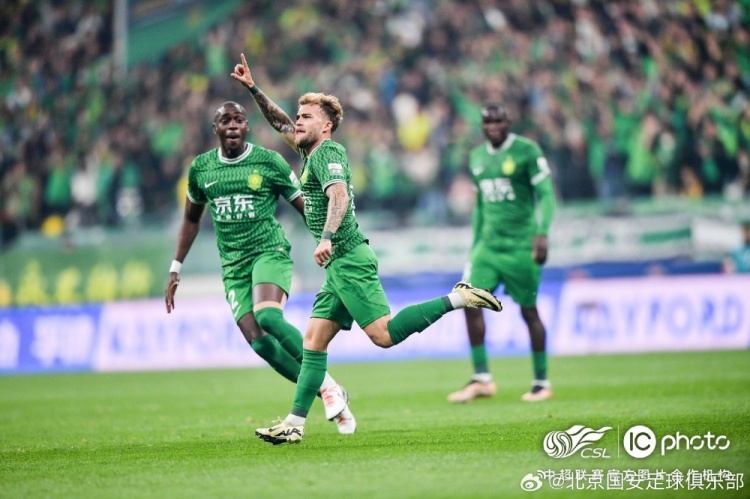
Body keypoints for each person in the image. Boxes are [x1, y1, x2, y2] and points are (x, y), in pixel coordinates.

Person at [230, 54, 503, 445]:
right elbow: (280, 124)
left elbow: (339, 196)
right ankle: (295, 423)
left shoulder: (328, 153)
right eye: (298, 115)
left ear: (326, 126)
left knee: (384, 334)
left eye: (306, 117)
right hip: (339, 264)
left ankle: (458, 298)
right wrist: (254, 89)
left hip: (348, 257)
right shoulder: (310, 152)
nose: (298, 122)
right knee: (313, 342)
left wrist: (326, 236)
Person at [165, 101, 356, 434]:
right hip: (234, 265)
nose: (233, 125)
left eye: (239, 119)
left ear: (247, 126)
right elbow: (191, 220)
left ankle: (326, 387)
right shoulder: (201, 169)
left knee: (268, 315)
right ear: (215, 129)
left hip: (269, 252)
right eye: (225, 120)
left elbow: (305, 206)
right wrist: (175, 267)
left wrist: (328, 242)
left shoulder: (268, 162)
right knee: (260, 343)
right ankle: (329, 389)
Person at [447, 103, 556, 404]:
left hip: (521, 246)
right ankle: (482, 378)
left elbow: (546, 194)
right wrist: (475, 246)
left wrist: (542, 232)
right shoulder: (477, 157)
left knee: (529, 312)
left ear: (508, 122)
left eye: (498, 121)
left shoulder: (526, 151)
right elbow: (480, 206)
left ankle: (541, 382)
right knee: (468, 300)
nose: (493, 127)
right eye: (488, 122)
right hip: (488, 247)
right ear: (482, 126)